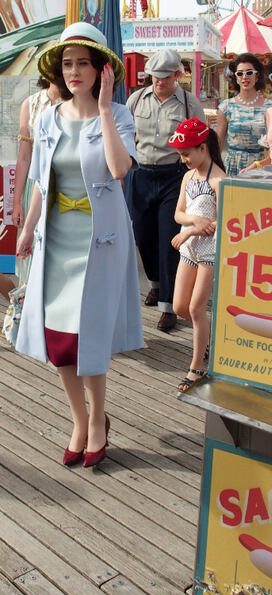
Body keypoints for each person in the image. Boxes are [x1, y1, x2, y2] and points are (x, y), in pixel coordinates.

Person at [15, 22, 142, 468]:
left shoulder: (120, 115)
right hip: (56, 240)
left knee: (86, 337)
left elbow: (119, 168)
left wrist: (105, 109)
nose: (73, 72)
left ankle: (99, 417)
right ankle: (78, 419)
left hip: (97, 242)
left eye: (82, 63)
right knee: (58, 341)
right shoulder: (47, 116)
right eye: (67, 64)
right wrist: (28, 228)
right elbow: (39, 183)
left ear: (101, 69)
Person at [125, 49, 206, 333]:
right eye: (155, 76)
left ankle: (168, 306)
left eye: (165, 76)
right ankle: (156, 285)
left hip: (174, 175)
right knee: (143, 238)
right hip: (140, 174)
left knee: (169, 240)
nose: (159, 81)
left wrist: (200, 177)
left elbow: (200, 142)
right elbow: (125, 138)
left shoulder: (188, 103)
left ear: (176, 75)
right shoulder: (135, 100)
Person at [168, 119, 225, 391]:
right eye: (181, 154)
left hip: (210, 251)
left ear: (203, 148)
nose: (184, 159)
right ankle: (210, 338)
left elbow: (222, 223)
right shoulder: (188, 177)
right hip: (189, 247)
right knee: (180, 307)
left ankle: (196, 367)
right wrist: (193, 223)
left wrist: (193, 229)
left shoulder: (219, 181)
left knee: (195, 308)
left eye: (187, 153)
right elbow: (178, 213)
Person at [12, 77, 61, 288]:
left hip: (65, 184)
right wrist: (16, 202)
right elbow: (24, 157)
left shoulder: (78, 102)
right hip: (36, 184)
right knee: (29, 244)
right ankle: (26, 305)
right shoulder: (30, 103)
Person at [215, 53, 272, 176]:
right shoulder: (226, 107)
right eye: (240, 73)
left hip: (260, 167)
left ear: (257, 75)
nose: (245, 77)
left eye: (249, 72)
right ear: (236, 77)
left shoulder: (270, 107)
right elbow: (218, 142)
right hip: (232, 165)